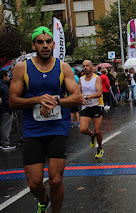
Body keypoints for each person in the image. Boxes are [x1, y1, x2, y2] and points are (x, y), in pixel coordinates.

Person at [9, 26, 82, 213]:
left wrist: (55, 100)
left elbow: (77, 97)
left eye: (48, 42)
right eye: (40, 42)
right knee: (34, 183)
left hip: (57, 127)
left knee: (56, 180)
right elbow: (13, 101)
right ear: (33, 45)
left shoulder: (63, 67)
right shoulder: (21, 68)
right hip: (32, 129)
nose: (45, 45)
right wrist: (36, 99)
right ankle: (43, 199)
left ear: (54, 44)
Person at [79, 60, 104, 158]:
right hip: (86, 106)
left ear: (92, 67)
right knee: (83, 129)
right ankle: (92, 135)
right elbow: (78, 91)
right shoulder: (81, 79)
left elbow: (99, 93)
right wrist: (80, 98)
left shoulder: (96, 78)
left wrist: (86, 97)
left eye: (87, 66)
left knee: (98, 130)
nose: (85, 67)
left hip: (97, 106)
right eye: (84, 66)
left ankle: (100, 148)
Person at [0, 70, 15, 150]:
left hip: (1, 109)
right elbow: (7, 99)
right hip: (6, 110)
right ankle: (5, 143)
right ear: (4, 77)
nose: (8, 78)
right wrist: (10, 109)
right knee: (6, 127)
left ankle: (2, 142)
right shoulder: (4, 87)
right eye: (8, 76)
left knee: (2, 126)